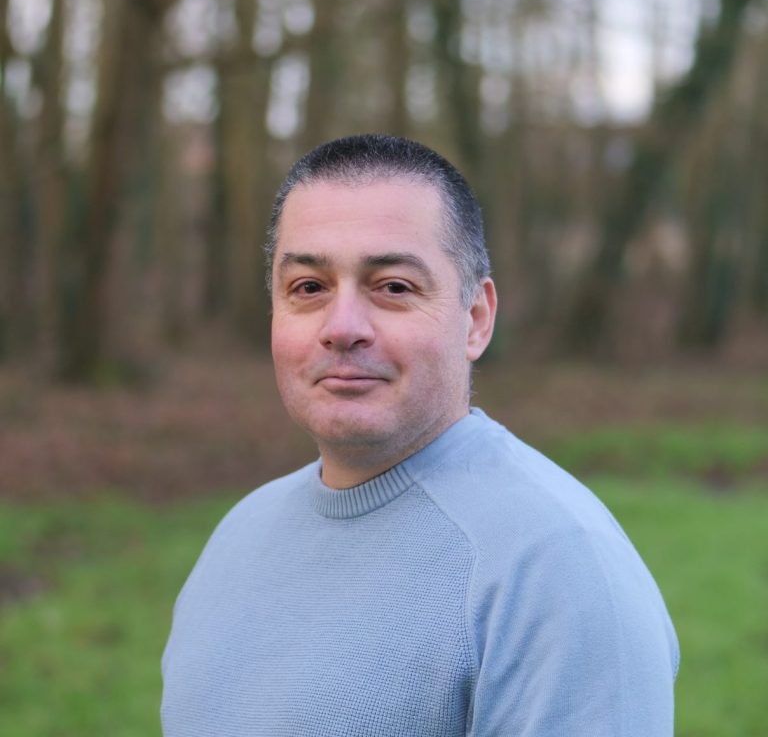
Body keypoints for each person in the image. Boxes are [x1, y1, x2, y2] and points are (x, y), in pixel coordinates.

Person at [161, 134, 679, 736]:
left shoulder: (557, 573)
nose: (342, 328)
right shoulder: (237, 536)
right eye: (309, 287)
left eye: (393, 287)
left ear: (475, 319)